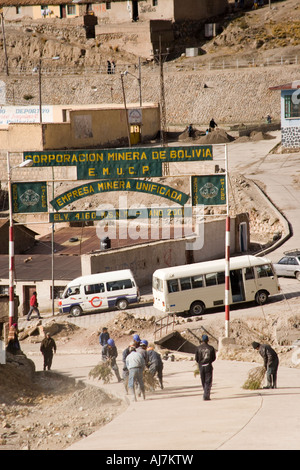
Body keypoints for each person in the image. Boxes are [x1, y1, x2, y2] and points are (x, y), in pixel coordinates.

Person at [195, 334, 216, 401]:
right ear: (208, 340)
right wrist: (209, 362)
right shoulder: (211, 348)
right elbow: (213, 358)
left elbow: (196, 358)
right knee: (208, 381)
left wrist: (200, 363)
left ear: (202, 340)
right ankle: (206, 394)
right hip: (208, 366)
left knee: (203, 380)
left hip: (201, 366)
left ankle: (205, 393)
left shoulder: (198, 348)